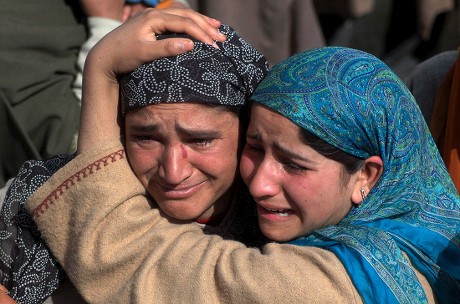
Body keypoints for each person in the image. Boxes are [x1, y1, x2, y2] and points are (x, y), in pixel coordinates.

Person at [24, 14, 460, 303]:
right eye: (255, 148)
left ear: (366, 174)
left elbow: (141, 261)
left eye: (293, 163)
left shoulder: (341, 282)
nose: (259, 184)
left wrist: (101, 69)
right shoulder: (430, 231)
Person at [0, 8, 239, 303]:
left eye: (200, 140)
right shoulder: (39, 194)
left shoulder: (281, 234)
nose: (173, 172)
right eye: (146, 138)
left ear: (248, 135)